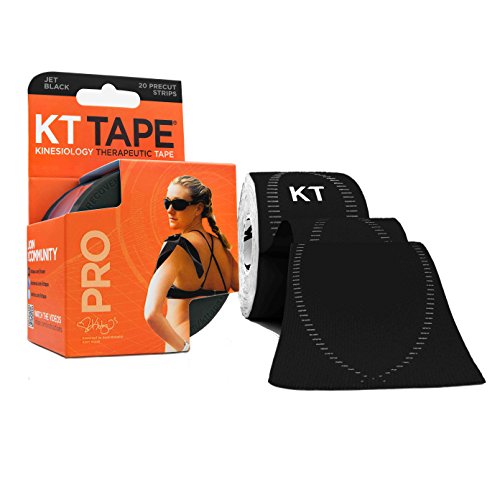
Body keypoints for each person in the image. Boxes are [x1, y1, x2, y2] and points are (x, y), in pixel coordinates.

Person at [144, 175, 239, 352]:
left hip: (182, 348)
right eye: (167, 203)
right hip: (220, 347)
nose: (170, 210)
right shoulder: (222, 248)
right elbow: (246, 295)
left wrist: (183, 348)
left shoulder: (176, 247)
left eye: (178, 204)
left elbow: (151, 314)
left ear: (198, 209)